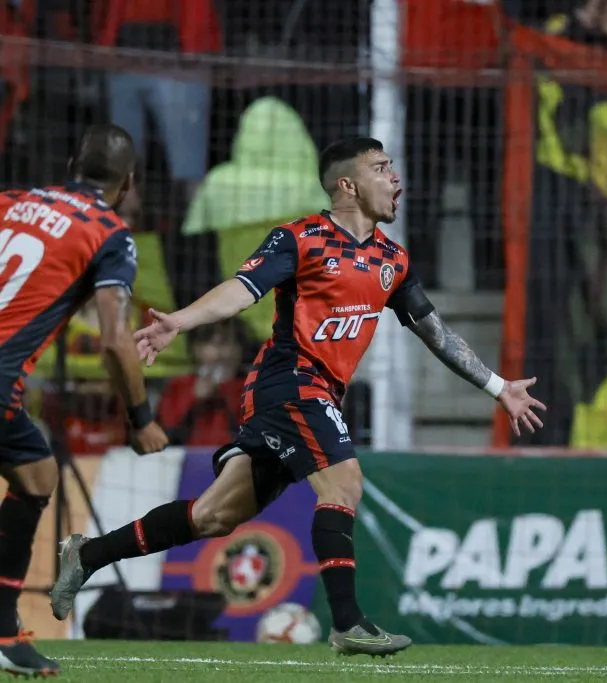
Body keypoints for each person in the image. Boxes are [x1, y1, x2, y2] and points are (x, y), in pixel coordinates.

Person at [49, 137, 546, 658]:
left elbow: (435, 332)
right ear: (347, 186)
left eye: (393, 167)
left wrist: (497, 386)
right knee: (344, 482)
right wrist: (179, 320)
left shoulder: (391, 260)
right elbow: (242, 289)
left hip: (315, 393)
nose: (396, 178)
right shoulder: (302, 238)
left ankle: (88, 556)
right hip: (289, 382)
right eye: (381, 168)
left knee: (214, 516)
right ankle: (348, 623)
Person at [0, 125, 168, 677]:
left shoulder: (13, 200)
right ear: (127, 183)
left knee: (36, 473)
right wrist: (140, 418)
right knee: (35, 477)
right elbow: (116, 340)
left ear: (73, 162)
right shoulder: (108, 232)